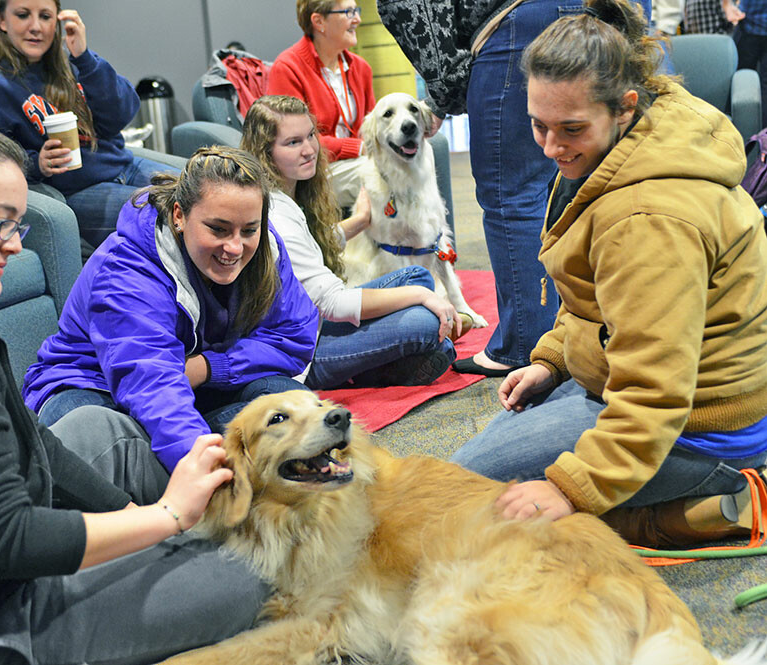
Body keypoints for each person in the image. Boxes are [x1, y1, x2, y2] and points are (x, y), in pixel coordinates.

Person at [0, 115, 266, 665]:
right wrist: (169, 519)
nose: (14, 246)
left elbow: (33, 440)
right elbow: (5, 539)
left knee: (101, 428)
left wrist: (139, 520)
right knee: (251, 574)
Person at [450, 0, 767, 548]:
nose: (550, 147)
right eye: (538, 126)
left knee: (462, 498)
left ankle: (694, 506)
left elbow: (655, 393)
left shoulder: (648, 219)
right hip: (653, 396)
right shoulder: (623, 143)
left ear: (623, 106)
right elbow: (592, 297)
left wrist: (572, 492)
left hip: (698, 429)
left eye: (569, 129)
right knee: (483, 467)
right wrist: (551, 360)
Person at [377, 0, 651, 377]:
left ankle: (525, 345)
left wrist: (445, 89)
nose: (553, 145)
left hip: (515, 23)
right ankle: (585, 328)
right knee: (576, 182)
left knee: (513, 196)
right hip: (593, 15)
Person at [22, 146, 319, 474]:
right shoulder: (126, 269)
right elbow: (152, 386)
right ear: (179, 216)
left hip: (189, 387)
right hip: (93, 388)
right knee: (102, 440)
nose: (235, 247)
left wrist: (208, 367)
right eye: (218, 229)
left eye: (249, 230)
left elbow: (294, 336)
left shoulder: (264, 246)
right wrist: (204, 477)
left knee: (290, 402)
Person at [240, 95, 459, 389]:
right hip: (301, 351)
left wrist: (359, 220)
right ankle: (378, 367)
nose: (309, 151)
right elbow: (334, 303)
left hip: (311, 321)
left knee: (417, 276)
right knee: (423, 320)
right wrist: (421, 297)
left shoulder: (288, 194)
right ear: (265, 152)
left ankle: (385, 364)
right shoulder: (276, 214)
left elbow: (312, 247)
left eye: (310, 137)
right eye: (293, 143)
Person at [0, 0, 173, 249]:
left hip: (124, 166)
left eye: (45, 16)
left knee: (200, 194)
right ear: (1, 20)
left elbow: (122, 113)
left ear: (57, 22)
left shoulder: (74, 67)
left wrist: (84, 57)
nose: (36, 27)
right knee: (168, 216)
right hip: (75, 191)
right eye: (23, 15)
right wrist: (35, 162)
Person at [267, 0, 375, 209]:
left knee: (417, 160)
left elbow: (371, 126)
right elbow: (293, 142)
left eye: (357, 10)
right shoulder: (288, 68)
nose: (358, 19)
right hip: (314, 171)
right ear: (318, 21)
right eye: (348, 12)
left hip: (357, 162)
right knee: (383, 177)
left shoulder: (361, 68)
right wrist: (358, 147)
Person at [723, 0, 767, 129]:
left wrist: (727, 5)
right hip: (747, 23)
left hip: (748, 25)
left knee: (739, 82)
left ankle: (741, 134)